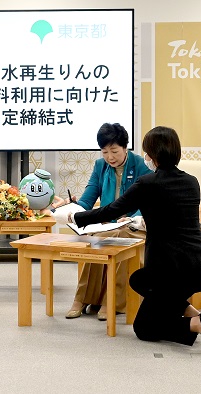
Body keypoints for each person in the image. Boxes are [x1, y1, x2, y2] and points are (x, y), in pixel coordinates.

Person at [69, 126, 201, 351]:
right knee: (139, 280)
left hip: (172, 270)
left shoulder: (148, 183)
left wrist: (75, 217)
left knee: (145, 328)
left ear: (151, 155)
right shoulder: (192, 181)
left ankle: (198, 323)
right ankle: (199, 316)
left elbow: (111, 210)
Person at [64, 123, 152, 320]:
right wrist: (73, 208)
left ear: (125, 147)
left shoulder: (139, 165)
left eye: (114, 151)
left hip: (133, 225)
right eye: (105, 152)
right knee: (97, 238)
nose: (110, 157)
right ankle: (83, 298)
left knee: (116, 237)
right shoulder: (100, 165)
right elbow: (88, 197)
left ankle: (110, 300)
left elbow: (148, 200)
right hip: (107, 223)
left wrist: (132, 216)